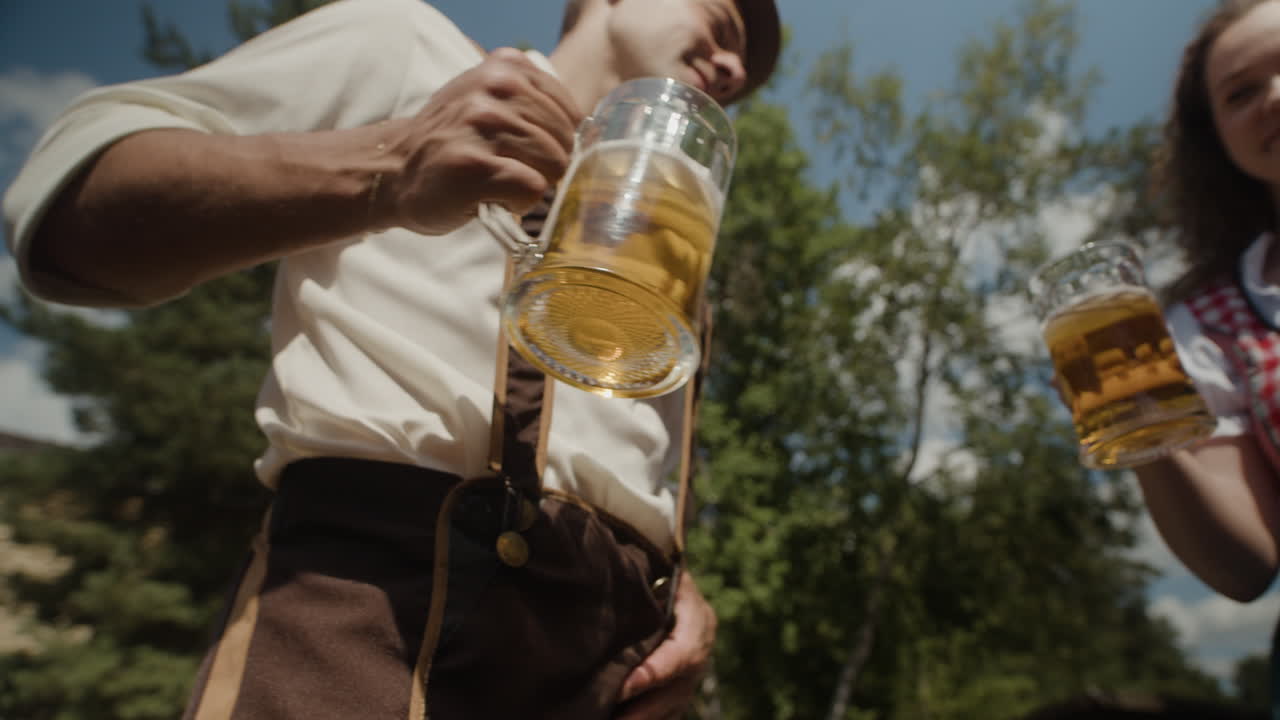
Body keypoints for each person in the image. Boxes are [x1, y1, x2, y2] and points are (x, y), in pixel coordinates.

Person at [1, 0, 781, 717]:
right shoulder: (409, 47)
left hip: (614, 669)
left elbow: (615, 463)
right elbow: (67, 206)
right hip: (370, 622)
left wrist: (680, 588)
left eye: (747, 64)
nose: (736, 66)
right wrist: (393, 164)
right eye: (723, 19)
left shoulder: (671, 258)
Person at [1115, 0, 1280, 717]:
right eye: (1241, 92)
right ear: (1217, 138)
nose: (1275, 96)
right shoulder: (1212, 319)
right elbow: (1246, 566)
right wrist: (1141, 425)